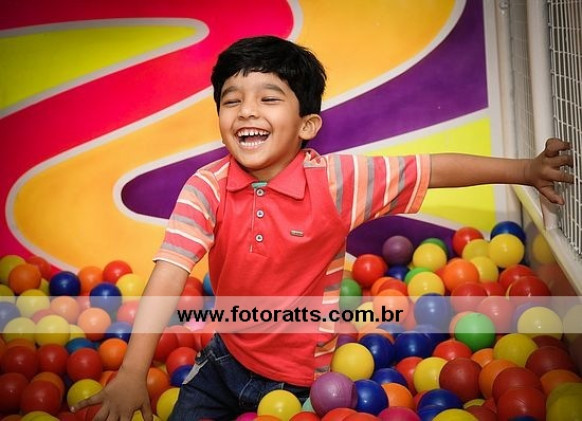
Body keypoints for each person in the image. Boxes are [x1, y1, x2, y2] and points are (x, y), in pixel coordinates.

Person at [71, 35, 573, 420]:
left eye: (268, 98)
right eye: (231, 100)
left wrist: (525, 170)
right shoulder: (207, 187)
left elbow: (433, 168)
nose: (247, 110)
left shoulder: (336, 183)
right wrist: (132, 372)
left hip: (298, 380)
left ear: (307, 125)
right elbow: (169, 273)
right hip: (225, 357)